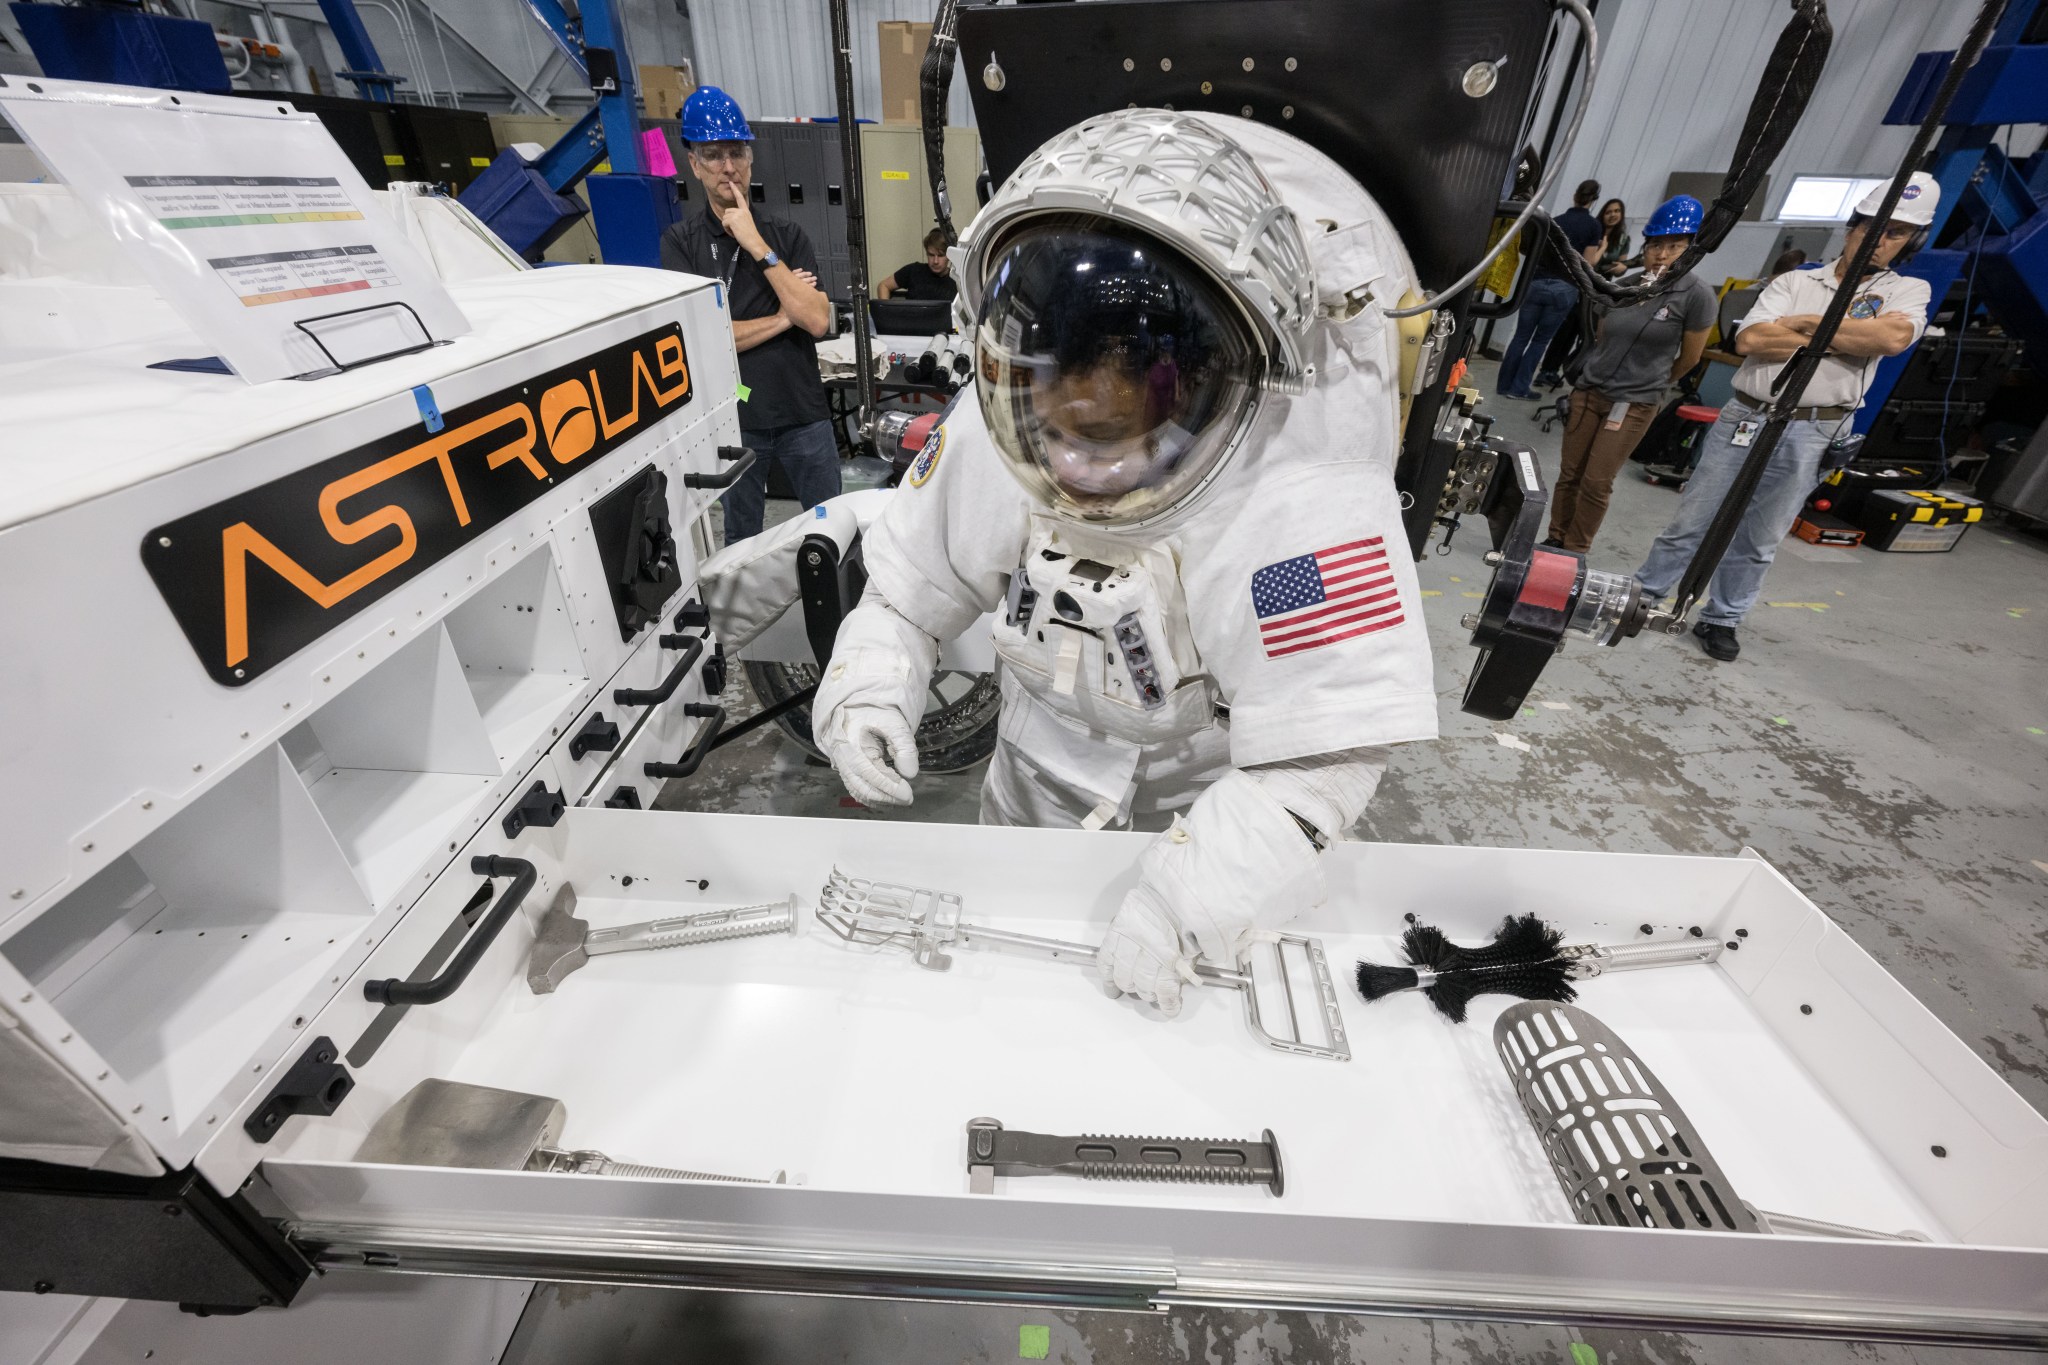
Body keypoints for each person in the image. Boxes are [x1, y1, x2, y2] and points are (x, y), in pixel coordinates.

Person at [809, 109, 1437, 1017]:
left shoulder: (1299, 494)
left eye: (1107, 435)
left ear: (1201, 387)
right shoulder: (999, 424)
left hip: (1211, 812)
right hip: (1028, 780)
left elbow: (1323, 756)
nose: (1071, 469)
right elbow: (908, 591)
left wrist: (1183, 905)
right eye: (1054, 428)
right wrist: (869, 687)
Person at [1635, 173, 1940, 661]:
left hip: (1814, 427)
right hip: (1747, 416)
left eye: (1897, 233)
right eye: (1873, 227)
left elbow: (1891, 340)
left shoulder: (1908, 290)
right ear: (1852, 227)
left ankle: (1722, 618)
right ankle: (1645, 598)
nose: (1880, 240)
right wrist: (1844, 336)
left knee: (1762, 534)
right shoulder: (1797, 280)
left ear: (1911, 241)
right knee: (1694, 516)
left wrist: (1801, 324)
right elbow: (1750, 340)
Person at [658, 86, 838, 544]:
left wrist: (755, 243)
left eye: (736, 152)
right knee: (740, 539)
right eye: (713, 155)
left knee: (835, 529)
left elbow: (817, 321)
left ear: (751, 159)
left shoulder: (785, 234)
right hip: (734, 420)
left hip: (805, 415)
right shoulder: (680, 244)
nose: (728, 166)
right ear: (694, 165)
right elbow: (701, 341)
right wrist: (783, 317)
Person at [1544, 196, 1715, 554]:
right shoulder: (1627, 286)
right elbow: (1602, 336)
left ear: (1690, 250)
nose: (1662, 254)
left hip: (1633, 402)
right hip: (1590, 392)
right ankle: (1555, 537)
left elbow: (1691, 358)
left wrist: (1652, 383)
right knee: (1570, 474)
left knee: (1596, 480)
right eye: (1655, 245)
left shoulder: (1696, 295)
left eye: (1674, 246)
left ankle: (1575, 549)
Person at [1497, 178, 1605, 400]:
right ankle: (1518, 389)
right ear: (1594, 200)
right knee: (1540, 341)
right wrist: (1602, 248)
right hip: (1563, 288)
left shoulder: (1554, 221)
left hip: (1536, 283)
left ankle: (1503, 385)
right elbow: (1587, 264)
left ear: (1575, 195)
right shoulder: (1593, 226)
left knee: (1520, 336)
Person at [878, 227, 960, 302]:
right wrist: (887, 313)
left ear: (949, 256)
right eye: (931, 255)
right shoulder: (913, 271)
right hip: (912, 318)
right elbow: (883, 286)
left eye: (940, 256)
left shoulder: (958, 281)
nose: (935, 261)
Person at [1593, 198, 1632, 277]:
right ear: (1602, 215)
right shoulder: (1592, 232)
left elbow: (1621, 267)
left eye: (1617, 211)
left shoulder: (1624, 240)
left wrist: (1622, 269)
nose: (1613, 215)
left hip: (1602, 284)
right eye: (1608, 212)